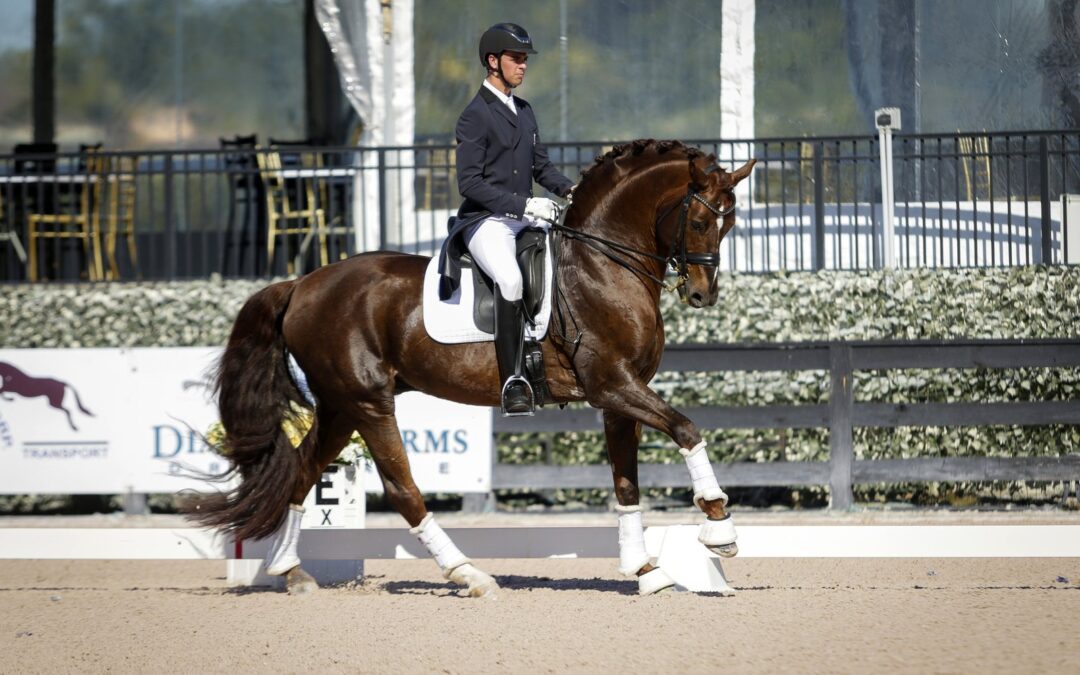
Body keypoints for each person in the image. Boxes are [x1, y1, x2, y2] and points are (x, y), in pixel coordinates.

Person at [454, 22, 575, 415]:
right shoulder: (475, 115)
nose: (523, 66)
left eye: (525, 60)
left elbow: (543, 169)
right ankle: (513, 379)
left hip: (521, 219)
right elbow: (470, 183)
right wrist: (523, 206)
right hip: (484, 221)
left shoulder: (525, 111)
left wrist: (572, 190)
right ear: (493, 62)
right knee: (509, 279)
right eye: (516, 59)